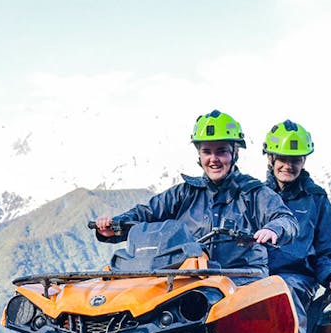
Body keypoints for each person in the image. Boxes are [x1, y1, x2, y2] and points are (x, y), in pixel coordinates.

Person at [95, 110, 296, 273]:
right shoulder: (183, 193)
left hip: (241, 279)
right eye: (207, 151)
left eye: (221, 151)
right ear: (199, 155)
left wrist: (273, 229)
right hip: (191, 279)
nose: (213, 159)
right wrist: (115, 226)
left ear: (234, 154)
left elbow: (286, 219)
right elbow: (146, 214)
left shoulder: (254, 193)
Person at [262, 119, 331, 333]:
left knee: (283, 292)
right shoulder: (256, 196)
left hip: (295, 278)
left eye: (295, 159)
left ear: (303, 161)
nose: (288, 165)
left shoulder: (316, 199)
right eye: (282, 158)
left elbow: (326, 253)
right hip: (255, 276)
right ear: (270, 158)